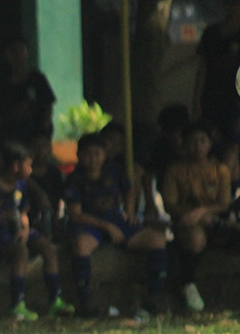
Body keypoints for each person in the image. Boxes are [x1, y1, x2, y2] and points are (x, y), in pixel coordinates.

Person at [64, 132, 168, 318]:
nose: (93, 159)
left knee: (156, 239)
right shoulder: (75, 179)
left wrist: (129, 212)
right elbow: (76, 214)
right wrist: (106, 227)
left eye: (97, 153)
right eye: (88, 154)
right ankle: (86, 301)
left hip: (116, 220)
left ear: (104, 154)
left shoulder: (113, 170)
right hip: (90, 224)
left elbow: (128, 188)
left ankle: (154, 297)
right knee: (81, 245)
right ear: (79, 156)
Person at [0, 141, 74, 321]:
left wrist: (25, 230)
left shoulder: (21, 185)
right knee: (21, 252)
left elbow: (23, 212)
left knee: (48, 248)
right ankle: (17, 304)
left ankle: (55, 300)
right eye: (28, 165)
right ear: (16, 166)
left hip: (17, 231)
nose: (31, 170)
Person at [160, 122, 240, 311]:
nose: (198, 146)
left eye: (202, 141)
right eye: (193, 142)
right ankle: (187, 283)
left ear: (210, 144)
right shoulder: (175, 170)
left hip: (216, 221)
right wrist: (194, 216)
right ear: (185, 145)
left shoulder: (220, 169)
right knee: (195, 240)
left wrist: (204, 212)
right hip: (188, 222)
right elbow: (170, 205)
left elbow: (225, 202)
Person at [193, 0, 240, 190]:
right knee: (211, 146)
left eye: (239, 4)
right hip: (211, 98)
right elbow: (202, 68)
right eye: (230, 3)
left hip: (235, 101)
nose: (233, 8)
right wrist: (196, 100)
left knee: (233, 148)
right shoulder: (211, 33)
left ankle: (228, 195)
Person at [0, 35, 57, 145]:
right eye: (13, 51)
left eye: (21, 50)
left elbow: (48, 105)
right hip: (11, 133)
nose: (18, 55)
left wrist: (43, 131)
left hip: (36, 132)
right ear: (7, 55)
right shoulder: (2, 83)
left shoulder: (37, 78)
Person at [27, 132, 65, 241]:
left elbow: (58, 198)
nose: (40, 150)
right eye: (36, 146)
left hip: (49, 214)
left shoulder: (54, 172)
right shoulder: (23, 173)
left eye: (44, 146)